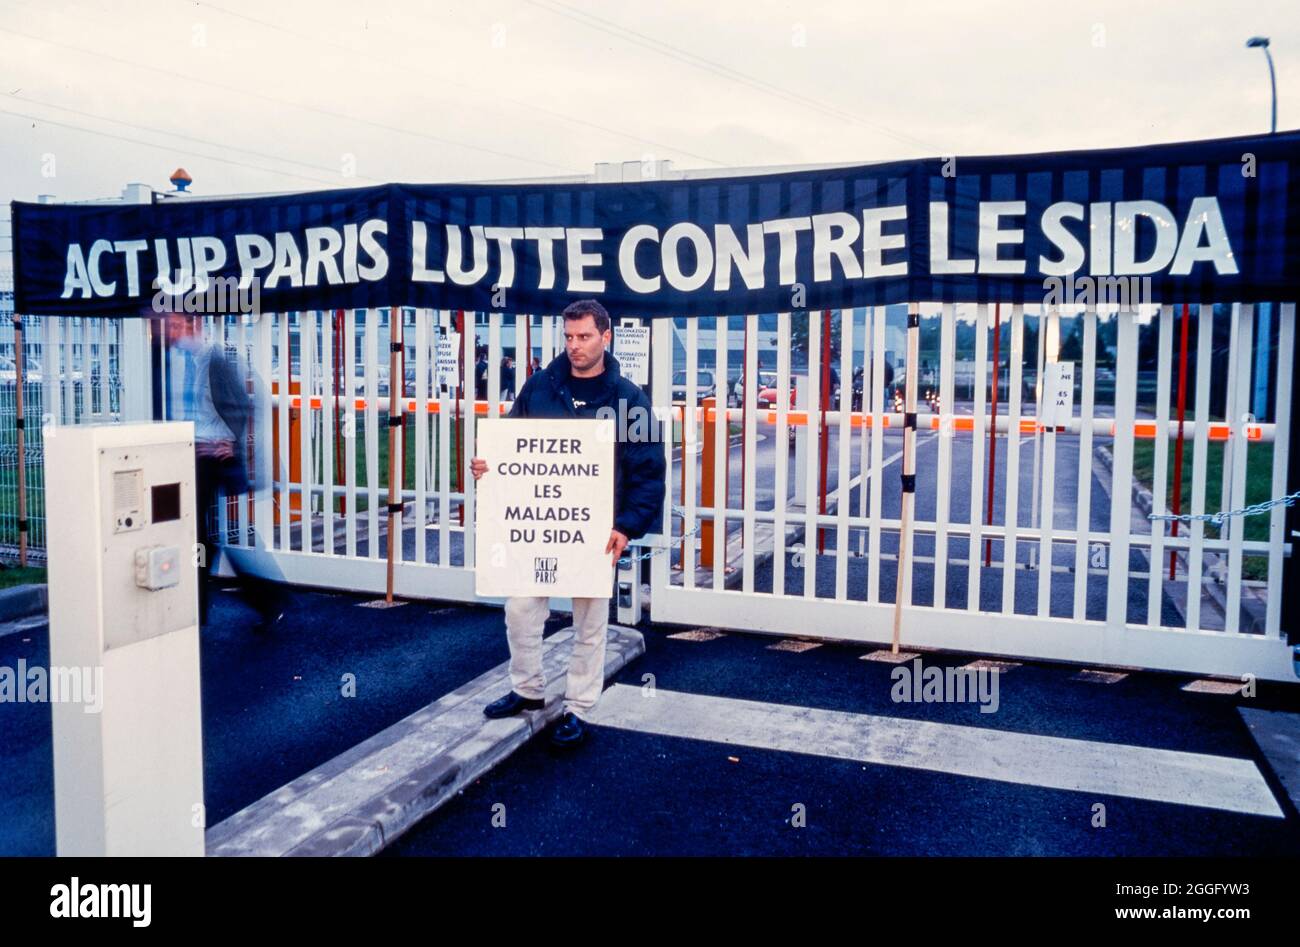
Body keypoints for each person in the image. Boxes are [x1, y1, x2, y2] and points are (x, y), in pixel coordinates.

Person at [469, 299, 666, 748]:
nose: (575, 346)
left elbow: (649, 473)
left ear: (605, 336)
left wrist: (627, 527)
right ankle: (528, 690)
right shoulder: (540, 388)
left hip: (597, 534)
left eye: (585, 337)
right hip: (539, 528)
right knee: (520, 608)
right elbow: (510, 446)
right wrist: (487, 464)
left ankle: (578, 707)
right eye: (569, 337)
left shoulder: (629, 400)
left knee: (590, 623)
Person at [156, 302, 284, 634]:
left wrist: (232, 445)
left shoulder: (215, 360)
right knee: (204, 534)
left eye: (174, 326)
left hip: (211, 457)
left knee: (205, 534)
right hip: (192, 453)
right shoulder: (181, 361)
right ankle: (260, 600)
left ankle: (255, 600)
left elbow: (243, 403)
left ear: (192, 324)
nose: (169, 333)